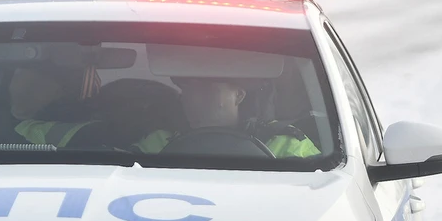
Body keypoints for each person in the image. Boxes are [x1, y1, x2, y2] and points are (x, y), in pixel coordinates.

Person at [131, 77, 321, 157]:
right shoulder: (157, 143)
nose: (192, 100)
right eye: (188, 90)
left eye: (207, 90)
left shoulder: (287, 144)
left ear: (239, 96)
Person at [0, 61, 111, 149]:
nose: (23, 88)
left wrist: (7, 139)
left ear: (59, 95)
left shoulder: (79, 132)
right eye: (19, 77)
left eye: (38, 84)